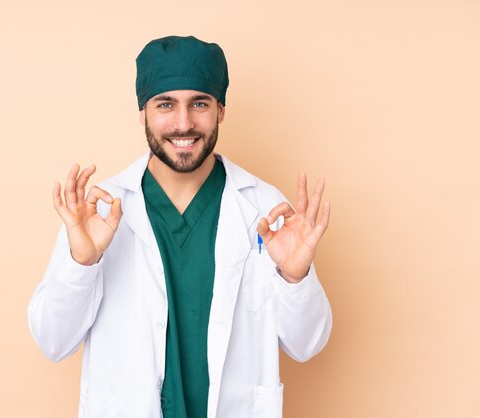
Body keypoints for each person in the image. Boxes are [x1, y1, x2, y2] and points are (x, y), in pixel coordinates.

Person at [28, 35, 332, 418]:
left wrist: (295, 277)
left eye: (199, 103)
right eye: (165, 104)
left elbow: (307, 345)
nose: (183, 123)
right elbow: (53, 342)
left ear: (221, 109)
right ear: (142, 112)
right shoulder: (97, 212)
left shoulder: (266, 208)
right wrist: (81, 263)